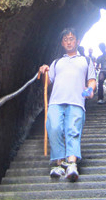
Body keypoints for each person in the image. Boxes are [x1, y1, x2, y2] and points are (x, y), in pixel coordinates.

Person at [38, 27, 96, 181]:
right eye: (65, 39)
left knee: (73, 130)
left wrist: (89, 90)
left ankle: (71, 164)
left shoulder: (86, 60)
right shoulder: (56, 62)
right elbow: (48, 81)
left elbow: (91, 80)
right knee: (54, 127)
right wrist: (43, 71)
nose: (69, 42)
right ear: (62, 43)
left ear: (77, 41)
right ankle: (58, 163)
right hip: (56, 101)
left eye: (71, 39)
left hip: (76, 102)